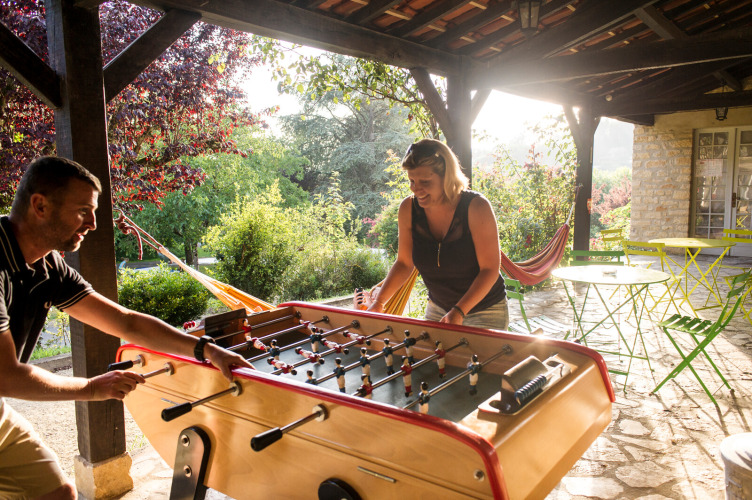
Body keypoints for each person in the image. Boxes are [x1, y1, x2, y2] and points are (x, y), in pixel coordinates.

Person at [0, 156, 254, 500]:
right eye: (83, 211)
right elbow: (7, 375)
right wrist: (91, 388)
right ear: (40, 205)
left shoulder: (48, 266)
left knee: (58, 493)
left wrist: (206, 349)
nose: (92, 223)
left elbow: (125, 321)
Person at [364, 139, 508, 330]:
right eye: (412, 181)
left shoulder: (476, 207)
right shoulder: (408, 209)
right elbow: (404, 263)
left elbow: (489, 269)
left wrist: (459, 310)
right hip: (438, 309)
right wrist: (379, 302)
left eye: (425, 181)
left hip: (486, 311)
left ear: (447, 176)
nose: (416, 189)